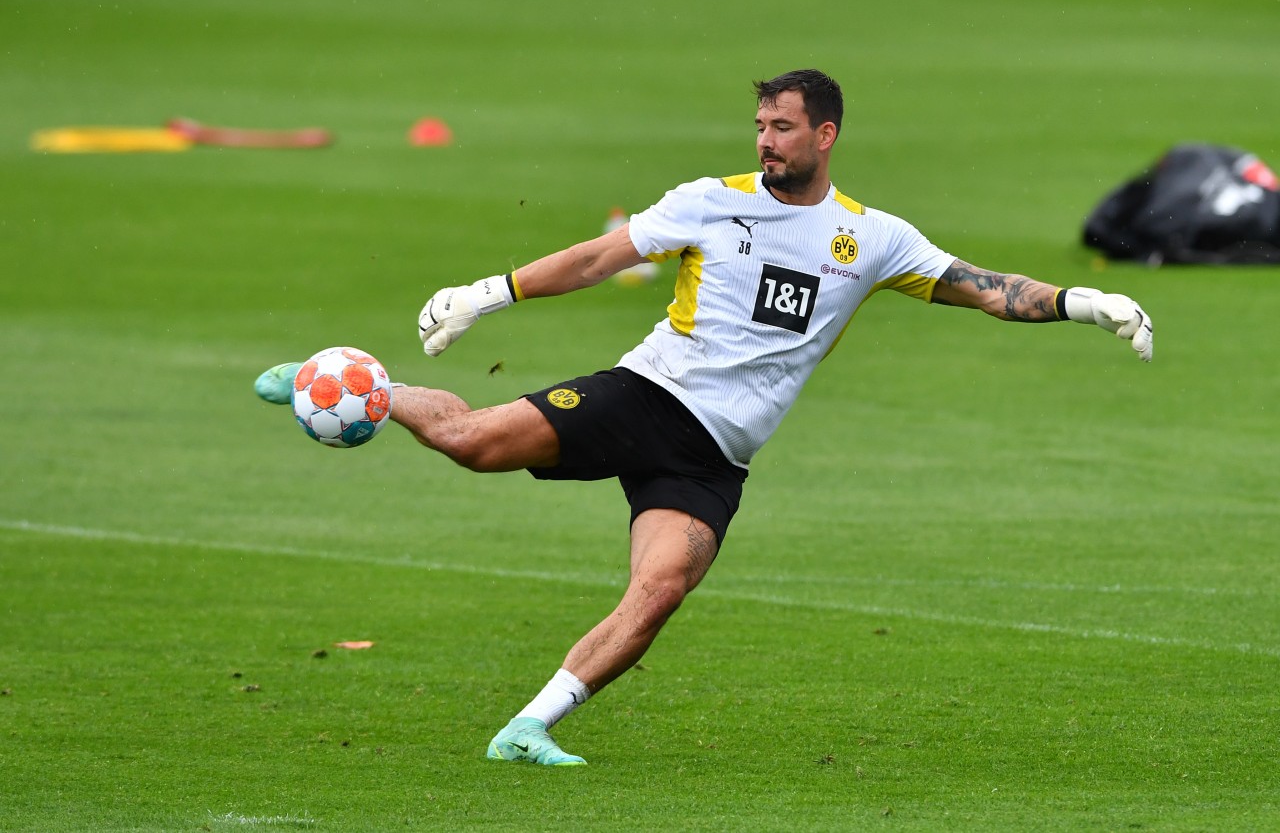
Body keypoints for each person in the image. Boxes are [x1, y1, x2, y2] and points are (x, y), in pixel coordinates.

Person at [255, 69, 1154, 767]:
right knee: (472, 441)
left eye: (784, 126)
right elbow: (601, 256)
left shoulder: (871, 238)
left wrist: (1084, 302)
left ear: (826, 134)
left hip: (716, 456)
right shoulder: (710, 200)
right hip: (650, 395)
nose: (767, 139)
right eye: (760, 124)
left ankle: (528, 727)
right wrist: (484, 296)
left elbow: (986, 289)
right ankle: (355, 380)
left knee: (658, 593)